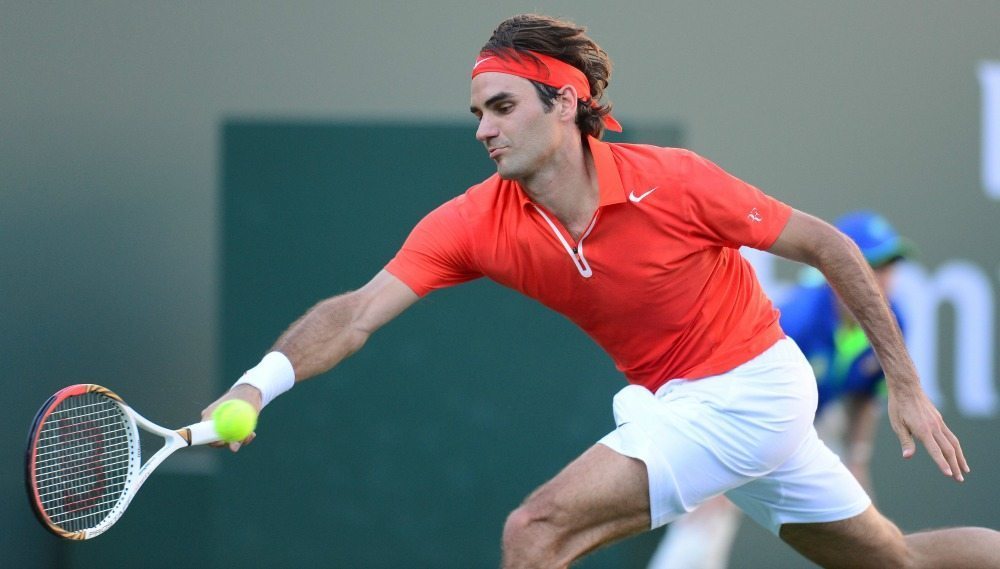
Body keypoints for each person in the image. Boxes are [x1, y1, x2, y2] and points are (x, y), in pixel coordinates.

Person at [201, 14, 1000, 568]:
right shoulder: (474, 221)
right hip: (683, 402)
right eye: (478, 112)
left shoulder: (676, 184)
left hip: (752, 390)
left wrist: (903, 382)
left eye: (504, 107)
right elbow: (355, 312)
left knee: (535, 529)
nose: (484, 128)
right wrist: (254, 385)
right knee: (894, 557)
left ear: (566, 103)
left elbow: (827, 244)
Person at [646, 210, 914, 569]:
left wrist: (857, 458)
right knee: (708, 512)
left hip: (816, 416)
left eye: (889, 266)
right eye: (873, 266)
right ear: (839, 273)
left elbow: (865, 395)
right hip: (742, 408)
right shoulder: (798, 318)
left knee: (860, 513)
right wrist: (724, 466)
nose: (884, 279)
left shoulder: (892, 319)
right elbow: (744, 388)